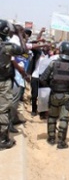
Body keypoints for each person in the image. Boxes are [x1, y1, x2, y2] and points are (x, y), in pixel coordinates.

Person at [40, 41, 69, 149]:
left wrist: (51, 86)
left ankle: (51, 138)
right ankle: (61, 142)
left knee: (52, 117)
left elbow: (43, 79)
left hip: (54, 94)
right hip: (67, 96)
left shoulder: (53, 64)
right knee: (64, 118)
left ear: (61, 50)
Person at [0, 19, 28, 150]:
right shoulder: (6, 46)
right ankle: (3, 139)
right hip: (3, 82)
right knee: (4, 109)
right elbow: (23, 50)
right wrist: (20, 35)